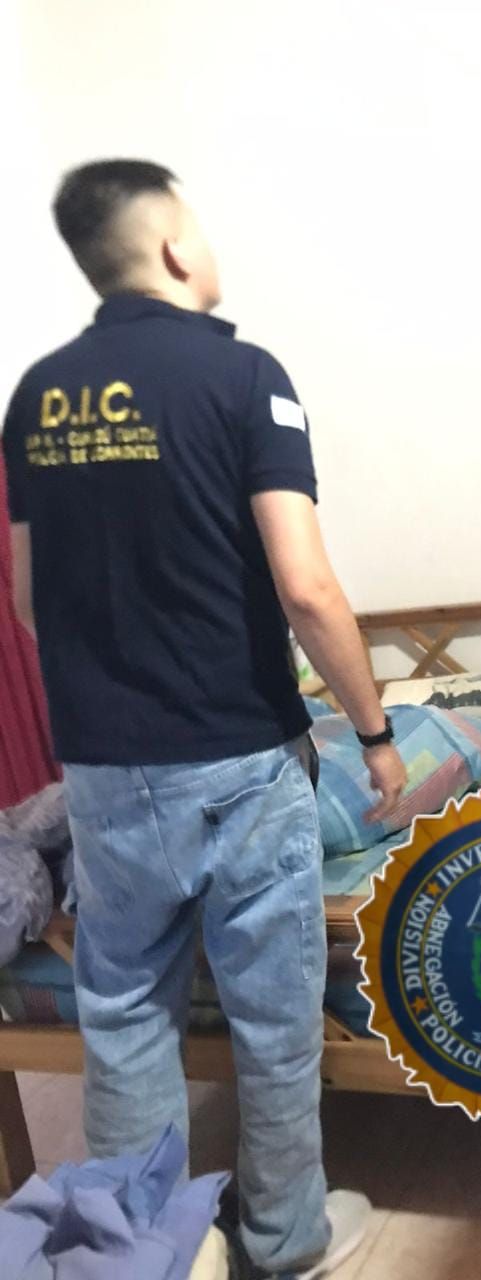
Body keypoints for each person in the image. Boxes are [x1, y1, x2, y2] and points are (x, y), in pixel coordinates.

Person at [2, 159, 407, 1280]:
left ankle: (150, 1254)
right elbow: (307, 586)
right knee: (272, 1022)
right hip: (236, 756)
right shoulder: (245, 377)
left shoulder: (37, 397)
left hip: (102, 768)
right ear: (176, 246)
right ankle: (285, 1240)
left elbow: (30, 599)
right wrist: (376, 732)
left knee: (126, 1011)